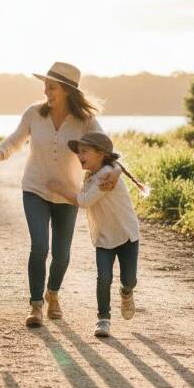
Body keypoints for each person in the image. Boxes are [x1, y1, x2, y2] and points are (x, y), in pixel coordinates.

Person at [0, 62, 121, 327]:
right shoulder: (34, 114)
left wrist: (114, 170)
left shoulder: (86, 121)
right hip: (35, 188)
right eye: (45, 85)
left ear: (68, 91)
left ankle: (53, 294)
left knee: (62, 254)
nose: (46, 91)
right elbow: (15, 139)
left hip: (68, 194)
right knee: (40, 246)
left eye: (52, 87)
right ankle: (36, 305)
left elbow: (106, 149)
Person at [48, 132, 144, 338]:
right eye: (78, 152)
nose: (79, 155)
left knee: (129, 279)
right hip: (103, 237)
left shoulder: (106, 174)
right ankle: (103, 319)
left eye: (84, 151)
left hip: (126, 234)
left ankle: (126, 292)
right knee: (103, 278)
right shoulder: (94, 174)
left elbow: (84, 201)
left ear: (100, 154)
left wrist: (60, 189)